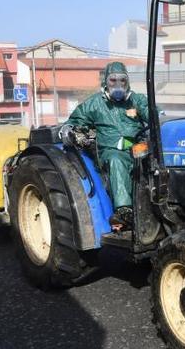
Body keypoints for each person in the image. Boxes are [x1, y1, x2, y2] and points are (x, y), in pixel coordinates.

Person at [59, 61, 148, 230]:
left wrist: (156, 114)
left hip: (137, 149)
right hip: (110, 152)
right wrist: (70, 130)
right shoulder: (94, 104)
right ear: (105, 82)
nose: (118, 85)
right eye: (113, 80)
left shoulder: (136, 100)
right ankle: (124, 211)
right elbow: (75, 121)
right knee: (116, 160)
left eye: (122, 80)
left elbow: (150, 111)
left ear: (127, 82)